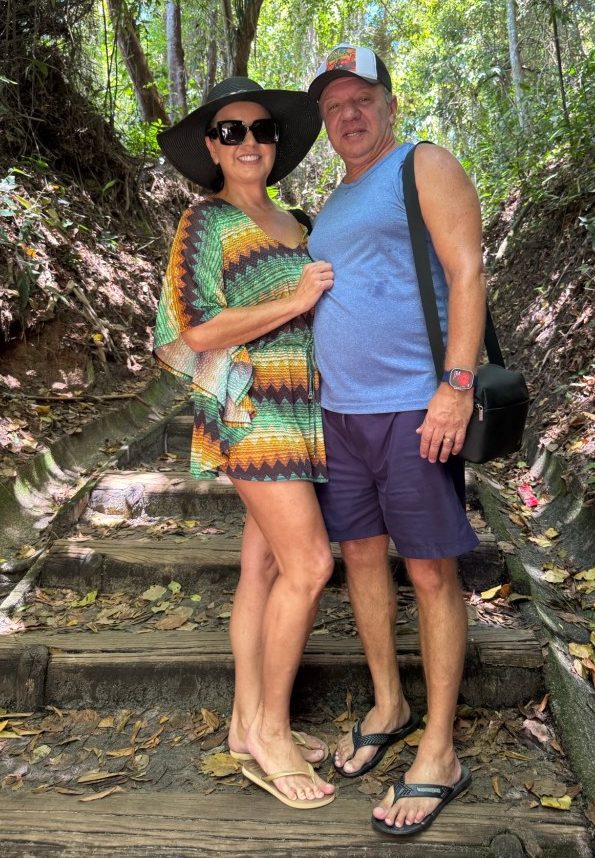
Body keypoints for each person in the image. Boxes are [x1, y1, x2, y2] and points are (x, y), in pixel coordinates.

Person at [306, 45, 485, 835]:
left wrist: (455, 387)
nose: (348, 115)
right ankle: (389, 703)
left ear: (389, 105)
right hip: (339, 415)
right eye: (334, 105)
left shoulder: (424, 164)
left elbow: (468, 273)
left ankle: (439, 749)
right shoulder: (334, 199)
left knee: (432, 573)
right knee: (362, 558)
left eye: (362, 99)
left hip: (415, 406)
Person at [153, 77, 336, 810]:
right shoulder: (206, 221)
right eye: (231, 131)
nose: (249, 141)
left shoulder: (299, 220)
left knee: (262, 567)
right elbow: (197, 330)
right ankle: (270, 732)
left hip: (306, 410)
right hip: (251, 410)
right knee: (311, 564)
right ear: (211, 147)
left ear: (275, 142)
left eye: (261, 129)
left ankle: (241, 723)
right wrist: (294, 298)